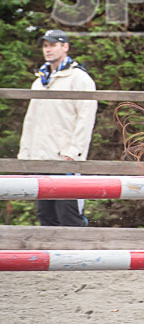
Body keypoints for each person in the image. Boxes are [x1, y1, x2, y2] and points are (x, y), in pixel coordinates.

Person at [18, 29, 97, 226]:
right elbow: (31, 120)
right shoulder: (40, 81)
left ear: (65, 47)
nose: (48, 49)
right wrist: (25, 154)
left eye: (53, 45)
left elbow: (86, 119)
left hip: (65, 159)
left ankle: (80, 256)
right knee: (45, 217)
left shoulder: (79, 79)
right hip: (41, 158)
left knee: (70, 216)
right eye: (45, 45)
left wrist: (74, 151)